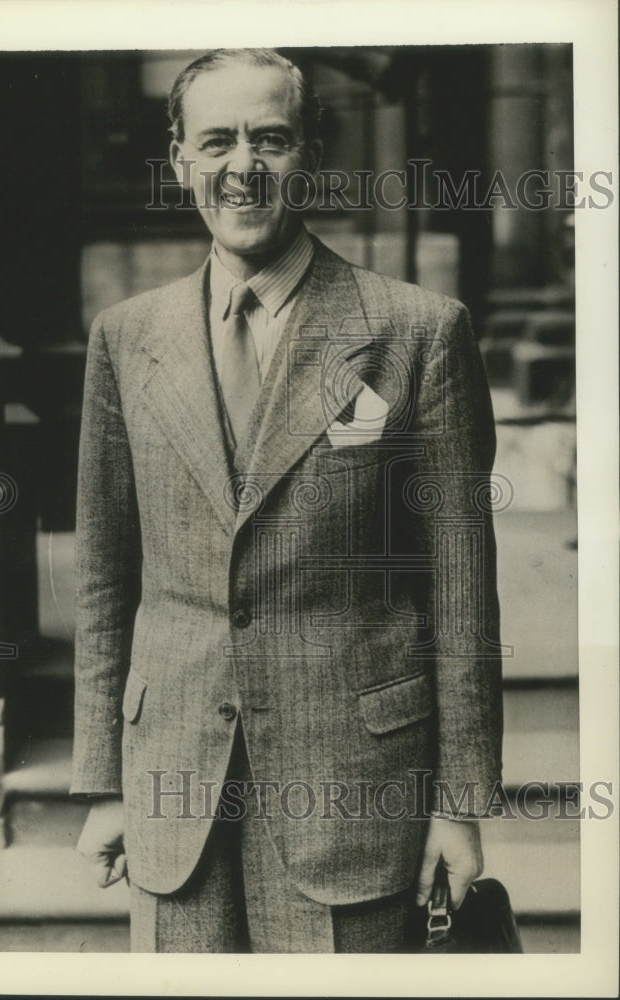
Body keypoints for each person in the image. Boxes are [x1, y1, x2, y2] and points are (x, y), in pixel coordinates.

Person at [71, 47, 503, 953]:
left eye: (270, 139)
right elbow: (108, 575)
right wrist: (104, 779)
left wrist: (458, 807)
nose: (242, 169)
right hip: (173, 789)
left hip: (354, 793)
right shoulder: (126, 339)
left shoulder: (417, 333)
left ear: (312, 151)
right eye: (217, 141)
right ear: (180, 157)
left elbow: (462, 593)